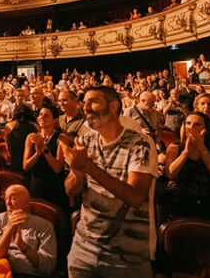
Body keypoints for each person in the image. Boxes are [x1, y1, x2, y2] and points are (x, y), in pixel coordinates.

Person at [61, 86, 158, 278]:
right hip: (83, 247)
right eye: (85, 102)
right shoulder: (85, 141)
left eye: (93, 102)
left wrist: (88, 167)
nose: (85, 107)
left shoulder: (140, 143)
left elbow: (136, 197)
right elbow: (71, 191)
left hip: (126, 255)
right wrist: (77, 172)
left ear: (114, 106)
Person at [162, 112, 210, 222]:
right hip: (183, 199)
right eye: (188, 123)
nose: (191, 127)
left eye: (197, 124)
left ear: (206, 129)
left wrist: (202, 148)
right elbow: (171, 174)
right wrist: (185, 152)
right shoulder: (175, 148)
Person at [0, 185, 57, 277]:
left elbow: (47, 267)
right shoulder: (0, 219)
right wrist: (9, 229)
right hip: (1, 272)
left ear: (26, 203)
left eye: (12, 198)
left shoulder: (44, 225)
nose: (8, 203)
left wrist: (23, 246)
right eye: (6, 199)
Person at [23, 105, 68, 210]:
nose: (42, 117)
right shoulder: (31, 137)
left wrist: (44, 149)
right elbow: (25, 166)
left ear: (55, 120)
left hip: (54, 187)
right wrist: (37, 154)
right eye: (40, 114)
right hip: (36, 185)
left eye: (46, 115)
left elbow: (58, 168)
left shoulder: (61, 138)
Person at [3, 104, 37, 174]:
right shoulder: (36, 126)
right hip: (30, 161)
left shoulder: (8, 126)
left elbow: (7, 145)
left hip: (14, 159)